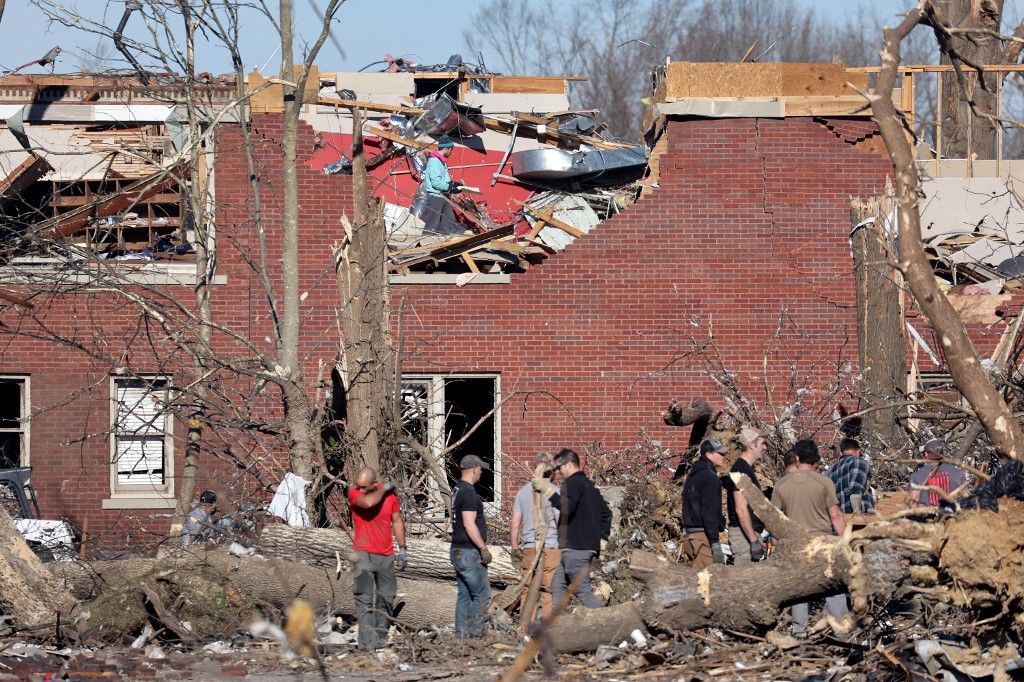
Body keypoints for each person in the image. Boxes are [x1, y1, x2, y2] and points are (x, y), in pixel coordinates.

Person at [772, 439, 849, 638]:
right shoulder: (824, 482)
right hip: (822, 543)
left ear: (796, 458)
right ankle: (842, 631)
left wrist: (776, 543)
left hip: (796, 544)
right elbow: (835, 516)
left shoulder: (782, 485)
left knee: (800, 591)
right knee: (832, 587)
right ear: (816, 459)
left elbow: (774, 520)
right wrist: (845, 542)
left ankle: (799, 633)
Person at [533, 448, 612, 609]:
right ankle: (560, 625)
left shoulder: (573, 483)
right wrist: (602, 538)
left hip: (576, 548)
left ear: (569, 465)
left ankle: (603, 624)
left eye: (559, 468)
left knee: (582, 591)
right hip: (582, 549)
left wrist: (547, 489)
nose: (559, 473)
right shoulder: (589, 486)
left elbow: (566, 507)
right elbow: (607, 513)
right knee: (558, 585)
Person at [348, 467, 406, 651]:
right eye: (359, 486)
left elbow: (396, 520)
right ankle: (366, 645)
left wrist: (403, 547)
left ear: (374, 484)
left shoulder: (390, 498)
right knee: (364, 600)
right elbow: (369, 503)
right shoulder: (354, 493)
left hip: (385, 554)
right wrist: (385, 488)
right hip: (363, 554)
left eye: (365, 486)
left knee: (387, 597)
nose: (360, 489)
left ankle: (379, 640)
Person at [510, 452, 560, 623]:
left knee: (528, 589)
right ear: (552, 472)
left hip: (530, 547)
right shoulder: (554, 492)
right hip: (551, 547)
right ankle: (548, 630)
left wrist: (515, 547)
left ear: (533, 468)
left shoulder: (522, 493)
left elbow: (515, 523)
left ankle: (524, 629)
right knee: (549, 591)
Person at [450, 454, 493, 638]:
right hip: (469, 552)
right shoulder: (468, 492)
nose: (481, 473)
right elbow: (469, 523)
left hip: (458, 550)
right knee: (482, 595)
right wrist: (483, 548)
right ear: (474, 469)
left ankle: (460, 637)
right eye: (480, 469)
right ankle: (476, 635)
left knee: (464, 595)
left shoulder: (457, 489)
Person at [681, 438, 728, 569]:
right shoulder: (709, 477)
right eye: (720, 453)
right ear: (708, 454)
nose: (723, 456)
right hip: (702, 537)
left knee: (695, 581)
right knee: (707, 582)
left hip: (690, 536)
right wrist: (715, 543)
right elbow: (709, 512)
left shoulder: (693, 475)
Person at [723, 427, 768, 564]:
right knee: (746, 582)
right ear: (751, 445)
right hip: (744, 537)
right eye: (762, 443)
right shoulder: (740, 469)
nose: (765, 448)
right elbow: (741, 508)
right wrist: (753, 540)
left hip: (749, 535)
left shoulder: (746, 469)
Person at [420, 134, 463, 236]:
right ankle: (425, 244)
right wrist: (450, 186)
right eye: (451, 149)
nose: (451, 152)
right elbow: (436, 183)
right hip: (436, 197)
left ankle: (445, 246)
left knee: (449, 222)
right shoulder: (434, 161)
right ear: (446, 149)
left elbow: (444, 180)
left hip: (444, 196)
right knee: (432, 223)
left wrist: (453, 185)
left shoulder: (441, 162)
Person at [910, 438, 968, 510]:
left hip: (926, 518)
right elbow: (965, 500)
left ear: (926, 454)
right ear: (942, 453)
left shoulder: (916, 476)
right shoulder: (958, 473)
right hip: (953, 518)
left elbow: (913, 506)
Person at [828, 438, 875, 513]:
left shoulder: (830, 470)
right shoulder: (858, 462)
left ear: (841, 452)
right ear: (858, 451)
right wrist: (857, 516)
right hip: (858, 520)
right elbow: (855, 489)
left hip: (840, 519)